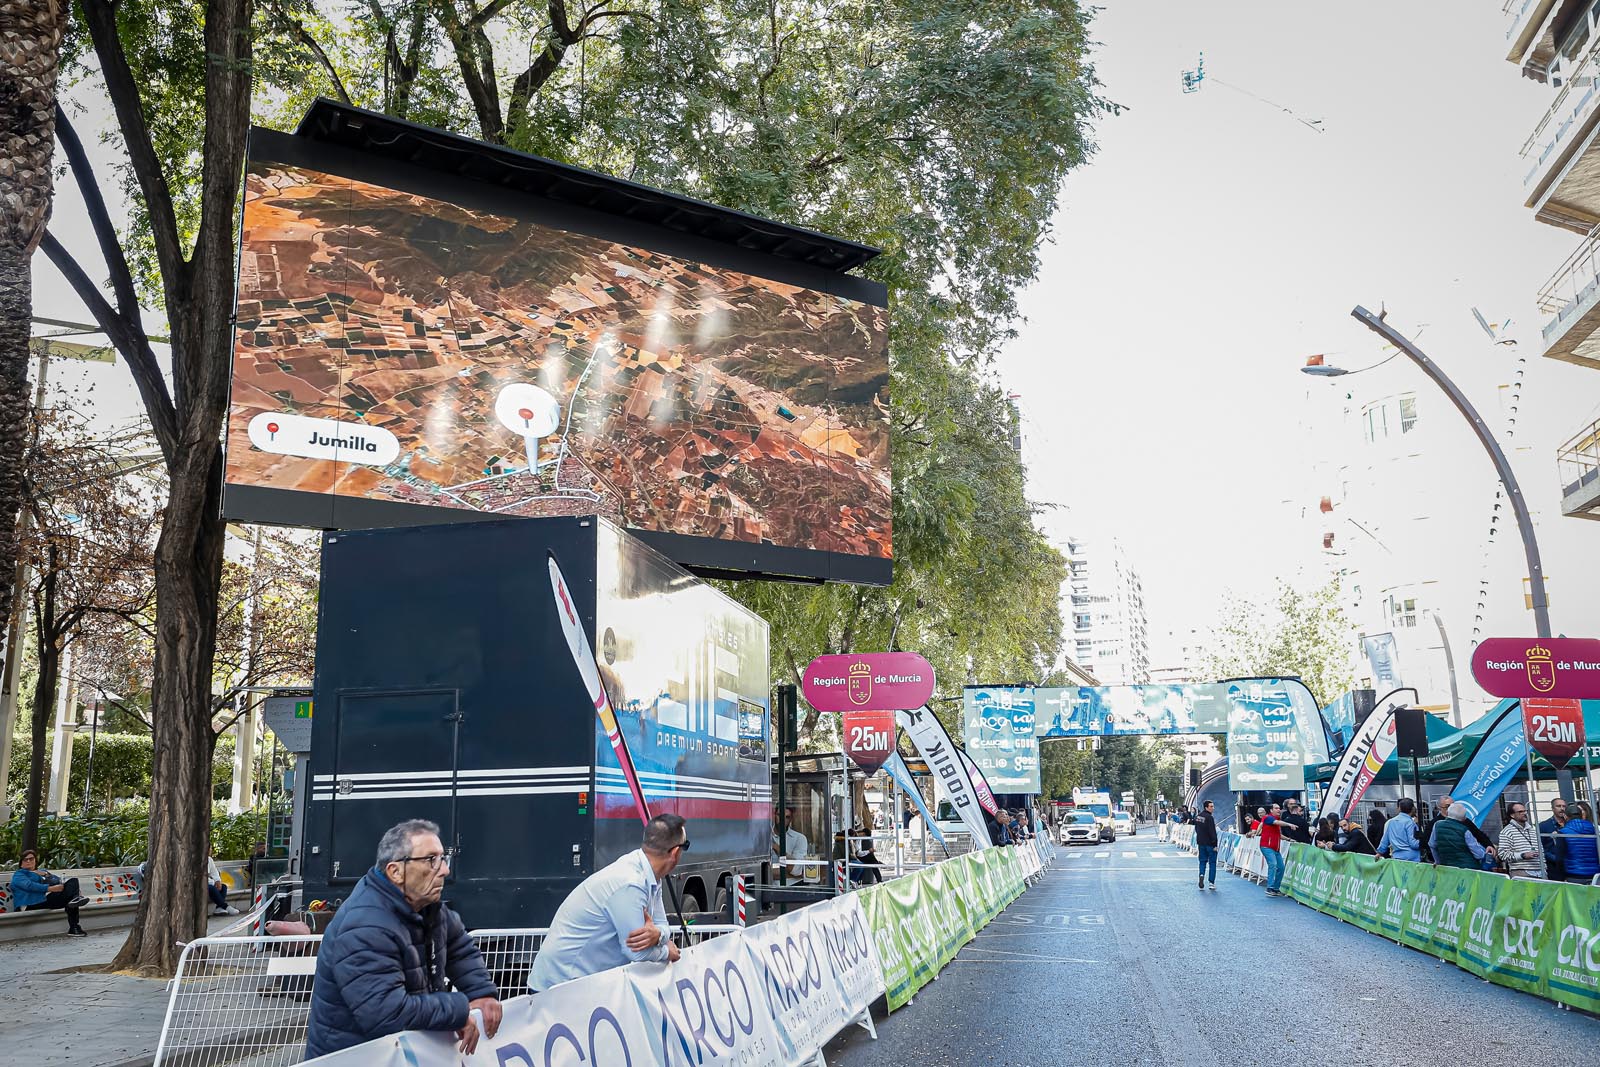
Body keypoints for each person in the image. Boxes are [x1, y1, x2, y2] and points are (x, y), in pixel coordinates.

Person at [304, 819, 501, 1060]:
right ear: (395, 871)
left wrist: (481, 992)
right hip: (356, 1058)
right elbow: (386, 1013)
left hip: (396, 1056)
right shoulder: (365, 926)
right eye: (431, 860)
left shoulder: (428, 907)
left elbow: (459, 948)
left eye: (443, 858)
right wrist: (457, 1011)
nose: (444, 870)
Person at [528, 813, 688, 992]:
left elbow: (661, 925)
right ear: (675, 852)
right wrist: (666, 952)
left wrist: (659, 935)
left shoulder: (648, 876)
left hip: (575, 983)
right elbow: (637, 953)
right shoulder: (631, 883)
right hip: (559, 986)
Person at [9, 849, 88, 937]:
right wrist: (49, 888)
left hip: (44, 900)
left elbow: (57, 881)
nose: (28, 861)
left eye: (31, 859)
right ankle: (74, 927)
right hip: (30, 904)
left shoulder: (42, 872)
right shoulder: (19, 874)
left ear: (35, 860)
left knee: (73, 882)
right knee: (71, 898)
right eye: (25, 859)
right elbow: (29, 886)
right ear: (21, 863)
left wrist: (46, 875)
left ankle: (75, 904)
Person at [1428, 796, 1495, 869]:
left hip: (1448, 867)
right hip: (1468, 867)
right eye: (1448, 806)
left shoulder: (1437, 825)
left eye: (1453, 804)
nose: (1451, 807)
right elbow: (1479, 854)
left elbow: (1432, 845)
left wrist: (1437, 861)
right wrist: (1486, 855)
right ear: (1439, 808)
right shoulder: (1464, 829)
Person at [1497, 802, 1545, 880]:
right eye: (1520, 812)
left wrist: (1544, 867)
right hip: (1521, 872)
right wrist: (1522, 855)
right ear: (1512, 815)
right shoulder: (1507, 831)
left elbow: (1541, 851)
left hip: (1541, 871)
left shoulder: (1532, 830)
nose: (1524, 813)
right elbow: (1502, 854)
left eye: (1525, 811)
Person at [1557, 801, 1598, 885]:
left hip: (1574, 875)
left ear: (1565, 816)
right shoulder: (1594, 830)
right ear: (1581, 815)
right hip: (1595, 875)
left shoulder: (1563, 832)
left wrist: (1561, 877)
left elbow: (1559, 858)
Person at [1252, 803, 1288, 896]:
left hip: (1275, 848)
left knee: (1281, 867)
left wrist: (1288, 839)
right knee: (1273, 864)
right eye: (1276, 808)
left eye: (1279, 808)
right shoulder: (1268, 818)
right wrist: (1289, 824)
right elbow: (1266, 824)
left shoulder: (1276, 820)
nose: (1278, 809)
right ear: (1271, 810)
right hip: (1266, 846)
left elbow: (1278, 834)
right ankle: (1270, 887)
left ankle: (1276, 888)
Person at [771, 806, 811, 883]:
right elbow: (763, 872)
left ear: (791, 819)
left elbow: (796, 870)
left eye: (787, 817)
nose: (783, 820)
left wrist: (777, 848)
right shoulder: (765, 837)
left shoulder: (799, 838)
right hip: (767, 887)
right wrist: (790, 873)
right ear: (774, 815)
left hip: (792, 886)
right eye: (779, 815)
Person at [1539, 798, 1570, 883]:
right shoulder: (1544, 826)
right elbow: (1540, 847)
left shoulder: (1570, 824)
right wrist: (1554, 858)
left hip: (1570, 865)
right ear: (1552, 808)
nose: (1562, 808)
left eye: (1564, 806)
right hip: (1553, 867)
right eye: (1558, 806)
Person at [1194, 799, 1219, 890]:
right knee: (1212, 863)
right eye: (1211, 806)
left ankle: (1201, 874)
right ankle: (1211, 882)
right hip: (1210, 844)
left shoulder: (1198, 817)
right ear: (1206, 807)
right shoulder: (1209, 818)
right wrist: (1215, 844)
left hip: (1201, 843)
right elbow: (1212, 831)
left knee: (1202, 861)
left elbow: (1196, 829)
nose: (1213, 808)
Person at [207, 847, 240, 916]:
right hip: (201, 884)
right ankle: (225, 906)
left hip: (210, 882)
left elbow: (214, 872)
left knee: (223, 887)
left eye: (210, 848)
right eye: (209, 848)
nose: (210, 850)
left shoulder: (209, 859)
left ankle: (219, 908)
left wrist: (217, 881)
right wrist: (213, 882)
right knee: (211, 888)